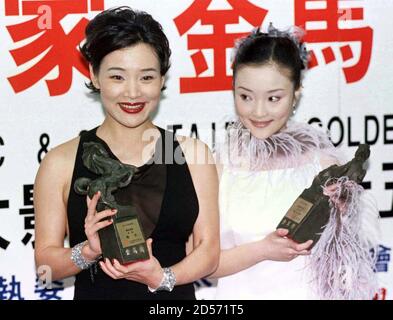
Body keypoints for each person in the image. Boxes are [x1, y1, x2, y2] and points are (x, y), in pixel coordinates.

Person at [34, 6, 219, 300]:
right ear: (95, 76)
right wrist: (90, 250)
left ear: (161, 79)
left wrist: (162, 277)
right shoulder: (60, 162)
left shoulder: (193, 154)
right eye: (117, 77)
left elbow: (208, 252)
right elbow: (44, 266)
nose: (133, 93)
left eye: (146, 77)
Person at [210, 24, 380, 300]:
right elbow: (206, 265)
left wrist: (342, 214)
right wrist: (263, 249)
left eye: (274, 98)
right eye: (245, 97)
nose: (258, 111)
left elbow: (344, 257)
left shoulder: (322, 164)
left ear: (296, 93)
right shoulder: (220, 167)